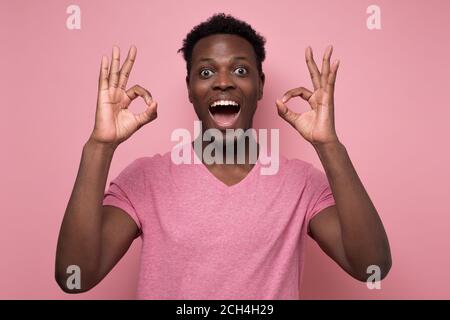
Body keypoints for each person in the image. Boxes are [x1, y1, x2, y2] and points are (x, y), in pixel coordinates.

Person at [55, 13, 391, 299]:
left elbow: (371, 268)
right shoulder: (145, 179)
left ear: (260, 85)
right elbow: (76, 277)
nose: (223, 82)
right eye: (206, 72)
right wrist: (99, 146)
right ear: (189, 89)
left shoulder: (302, 184)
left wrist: (329, 145)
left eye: (241, 71)